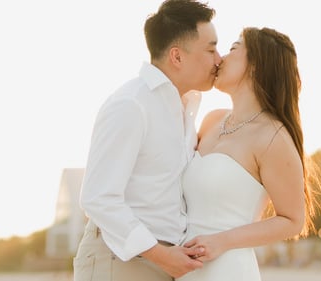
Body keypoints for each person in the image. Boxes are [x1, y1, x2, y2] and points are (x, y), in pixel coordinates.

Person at [73, 1, 222, 281]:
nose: (219, 60)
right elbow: (98, 197)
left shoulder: (184, 109)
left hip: (164, 260)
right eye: (211, 49)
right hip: (119, 260)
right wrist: (160, 255)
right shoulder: (131, 104)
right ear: (177, 57)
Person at [176, 27, 321, 281]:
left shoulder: (273, 137)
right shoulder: (212, 121)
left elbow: (292, 220)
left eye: (234, 47)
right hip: (184, 268)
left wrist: (221, 242)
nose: (220, 57)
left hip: (227, 269)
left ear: (256, 64)